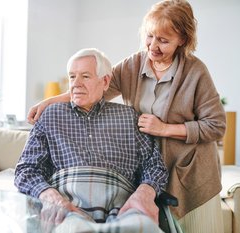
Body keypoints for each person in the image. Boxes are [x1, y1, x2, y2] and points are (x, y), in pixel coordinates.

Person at [27, 1, 226, 232]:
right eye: (150, 36)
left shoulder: (195, 71)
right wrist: (48, 102)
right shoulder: (134, 64)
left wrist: (165, 129)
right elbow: (96, 86)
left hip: (189, 167)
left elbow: (216, 125)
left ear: (182, 39)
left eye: (163, 40)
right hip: (154, 166)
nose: (153, 46)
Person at [15, 48, 168, 232]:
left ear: (105, 81)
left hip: (123, 209)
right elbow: (26, 169)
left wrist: (145, 193)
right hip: (67, 207)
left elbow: (155, 165)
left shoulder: (129, 117)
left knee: (144, 227)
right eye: (72, 77)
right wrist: (52, 198)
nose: (76, 84)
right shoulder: (50, 116)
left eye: (85, 76)